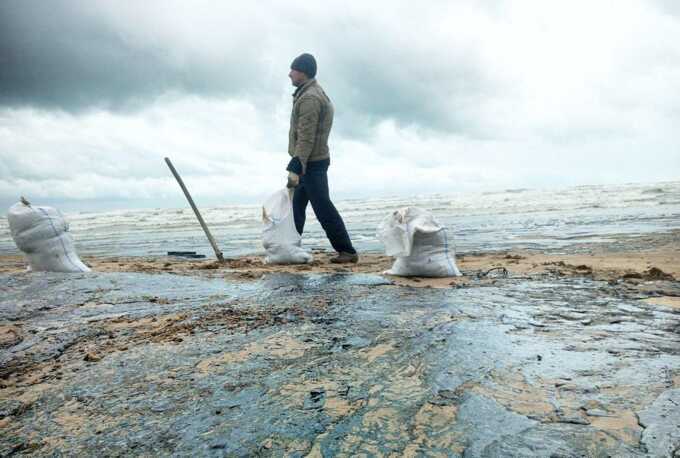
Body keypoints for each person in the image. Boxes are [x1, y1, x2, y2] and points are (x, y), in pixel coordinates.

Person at [286, 53, 358, 264]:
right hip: (311, 159)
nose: (289, 74)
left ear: (303, 72)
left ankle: (347, 250)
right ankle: (289, 248)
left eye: (293, 70)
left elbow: (307, 135)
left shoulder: (309, 98)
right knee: (295, 207)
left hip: (311, 163)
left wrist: (298, 163)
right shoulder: (307, 93)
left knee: (322, 207)